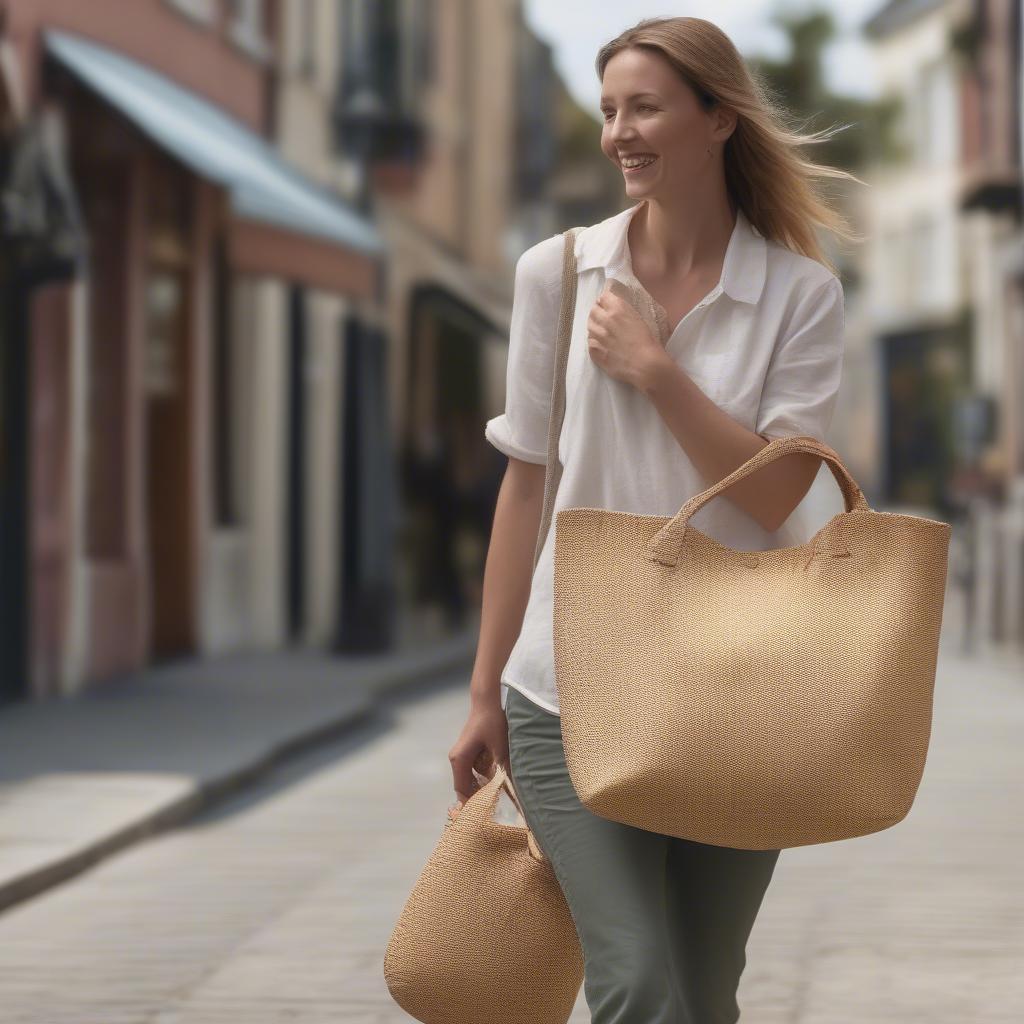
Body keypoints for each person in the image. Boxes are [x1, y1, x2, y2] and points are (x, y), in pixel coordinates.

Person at [448, 15, 862, 1024]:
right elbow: (524, 484)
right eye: (608, 111)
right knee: (635, 979)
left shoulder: (799, 295)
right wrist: (482, 689)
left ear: (718, 118)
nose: (618, 133)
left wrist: (655, 370)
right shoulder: (556, 274)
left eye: (644, 107)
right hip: (564, 681)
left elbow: (775, 494)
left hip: (736, 686)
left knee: (703, 992)